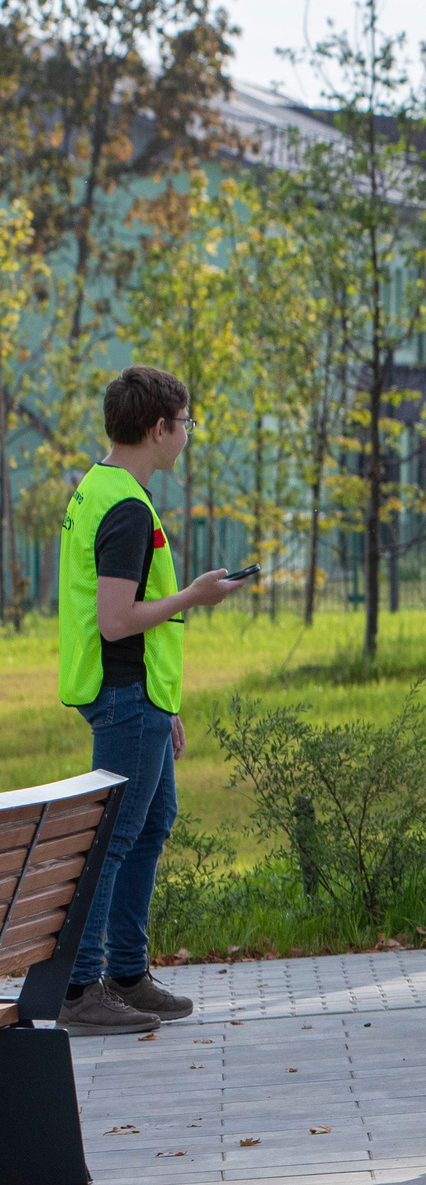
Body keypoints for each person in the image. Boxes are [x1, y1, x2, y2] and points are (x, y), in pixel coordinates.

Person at [53, 366, 246, 1036]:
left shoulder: (101, 487)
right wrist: (195, 596)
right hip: (124, 696)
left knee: (153, 820)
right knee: (112, 839)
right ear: (159, 428)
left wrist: (167, 707)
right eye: (186, 422)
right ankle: (81, 989)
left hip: (141, 698)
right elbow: (115, 621)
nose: (188, 433)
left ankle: (128, 975)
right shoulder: (128, 509)